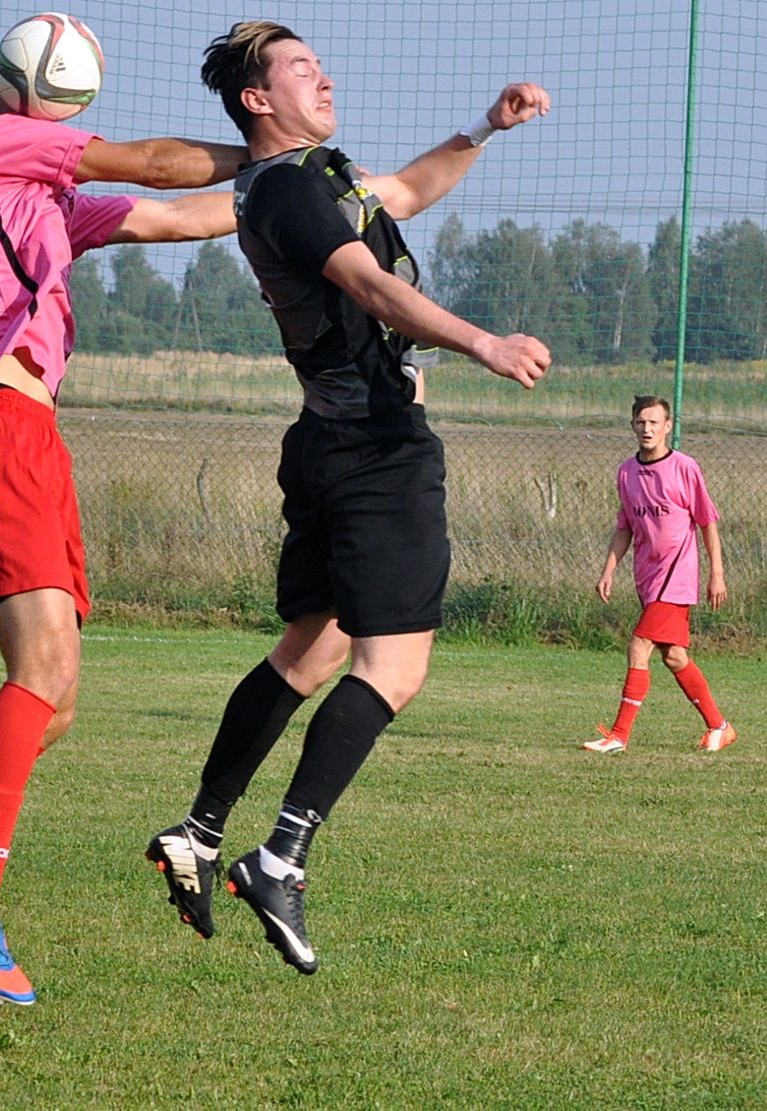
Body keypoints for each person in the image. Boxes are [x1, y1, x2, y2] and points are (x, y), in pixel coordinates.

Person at [0, 49, 252, 1013]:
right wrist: (266, 144)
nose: (55, 117)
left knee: (54, 703)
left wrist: (307, 183)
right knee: (38, 679)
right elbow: (151, 162)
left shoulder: (44, 202)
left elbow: (182, 211)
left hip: (29, 435)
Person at [146, 21, 552, 974]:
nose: (322, 76)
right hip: (373, 449)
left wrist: (480, 131)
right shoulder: (286, 187)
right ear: (257, 100)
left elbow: (403, 194)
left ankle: (200, 833)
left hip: (327, 443)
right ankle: (280, 854)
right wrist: (482, 342)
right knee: (393, 669)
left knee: (313, 647)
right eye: (299, 68)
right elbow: (369, 284)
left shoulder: (317, 176)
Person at [582, 396, 734, 755]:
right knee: (675, 657)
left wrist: (717, 574)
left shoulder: (684, 467)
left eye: (654, 423)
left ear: (668, 427)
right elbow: (625, 527)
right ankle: (720, 726)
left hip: (676, 576)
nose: (647, 429)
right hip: (647, 577)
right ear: (632, 425)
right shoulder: (626, 472)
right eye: (641, 422)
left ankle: (618, 735)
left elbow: (707, 521)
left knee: (639, 647)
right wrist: (608, 570)